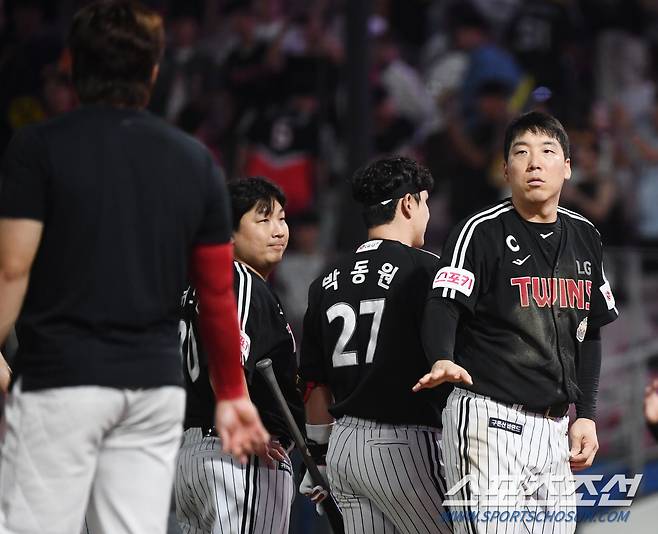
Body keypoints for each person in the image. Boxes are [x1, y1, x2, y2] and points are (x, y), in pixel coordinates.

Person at [0, 2, 268, 533]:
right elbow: (216, 294)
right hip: (153, 386)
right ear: (152, 69)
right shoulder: (195, 161)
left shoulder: (37, 147)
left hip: (61, 376)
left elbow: (11, 266)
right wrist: (233, 392)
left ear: (72, 65)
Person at [416, 111, 619, 533]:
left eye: (548, 152)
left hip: (554, 430)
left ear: (568, 167)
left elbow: (590, 332)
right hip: (489, 420)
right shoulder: (479, 230)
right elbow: (444, 303)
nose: (534, 163)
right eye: (521, 153)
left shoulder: (586, 235)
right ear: (505, 169)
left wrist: (587, 413)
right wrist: (440, 356)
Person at [299, 156, 453, 534]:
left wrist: (317, 456)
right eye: (425, 202)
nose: (427, 213)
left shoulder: (326, 279)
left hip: (343, 447)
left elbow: (315, 383)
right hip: (404, 443)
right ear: (408, 204)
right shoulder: (426, 269)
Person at [175, 177, 304, 534]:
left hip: (195, 453)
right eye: (262, 220)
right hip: (239, 456)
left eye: (281, 218)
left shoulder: (196, 285)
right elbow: (228, 348)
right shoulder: (238, 278)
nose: (278, 230)